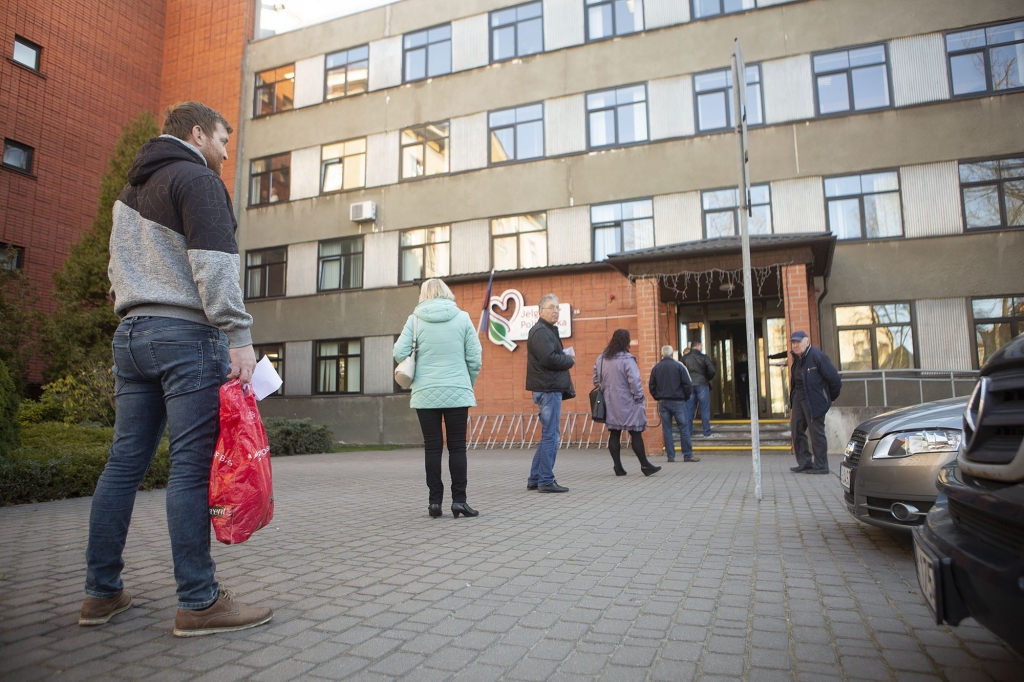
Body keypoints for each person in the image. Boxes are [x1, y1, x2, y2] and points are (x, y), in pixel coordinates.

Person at [81, 102, 272, 637]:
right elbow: (215, 266)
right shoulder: (198, 179)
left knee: (123, 465)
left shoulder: (130, 192)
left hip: (131, 334)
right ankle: (199, 600)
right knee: (188, 469)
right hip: (186, 337)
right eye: (223, 141)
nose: (226, 154)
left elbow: (114, 270)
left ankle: (100, 593)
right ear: (197, 133)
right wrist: (238, 336)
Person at [394, 279, 482, 517]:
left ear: (424, 294)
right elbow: (475, 357)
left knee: (432, 448)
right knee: (457, 448)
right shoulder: (462, 317)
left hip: (425, 393)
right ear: (447, 292)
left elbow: (399, 352)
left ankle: (434, 502)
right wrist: (467, 383)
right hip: (457, 391)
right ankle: (459, 501)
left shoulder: (415, 320)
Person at [594, 329, 661, 477]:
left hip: (609, 401)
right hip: (628, 401)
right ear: (626, 341)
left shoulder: (602, 358)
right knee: (635, 433)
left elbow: (596, 379)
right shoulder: (627, 359)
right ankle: (645, 465)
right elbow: (634, 381)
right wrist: (639, 397)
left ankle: (618, 467)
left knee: (614, 432)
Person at [525, 293, 574, 493]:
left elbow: (550, 356)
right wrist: (569, 360)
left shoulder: (546, 330)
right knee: (551, 436)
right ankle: (546, 480)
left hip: (548, 388)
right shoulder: (540, 331)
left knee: (548, 435)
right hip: (548, 389)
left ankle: (535, 478)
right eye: (551, 307)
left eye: (557, 308)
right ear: (541, 311)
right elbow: (549, 359)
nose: (555, 311)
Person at [788, 331, 842, 474]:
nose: (795, 345)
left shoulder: (817, 356)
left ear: (807, 341)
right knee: (796, 429)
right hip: (798, 398)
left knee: (816, 432)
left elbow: (835, 380)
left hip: (814, 400)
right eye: (793, 342)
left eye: (798, 342)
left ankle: (821, 465)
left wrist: (830, 398)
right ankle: (805, 462)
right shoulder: (797, 359)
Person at [649, 345, 697, 462]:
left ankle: (670, 456)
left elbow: (652, 385)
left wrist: (657, 397)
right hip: (678, 401)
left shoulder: (656, 367)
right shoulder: (679, 366)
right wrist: (686, 397)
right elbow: (687, 384)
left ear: (662, 354)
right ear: (672, 354)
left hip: (663, 401)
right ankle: (687, 455)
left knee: (667, 429)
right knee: (684, 428)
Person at [682, 340, 716, 438]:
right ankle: (707, 432)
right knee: (704, 408)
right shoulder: (704, 357)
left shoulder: (684, 358)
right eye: (701, 346)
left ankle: (688, 433)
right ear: (697, 346)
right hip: (702, 384)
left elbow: (680, 372)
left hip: (689, 385)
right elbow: (712, 370)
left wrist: (685, 382)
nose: (702, 348)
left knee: (689, 409)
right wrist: (706, 378)